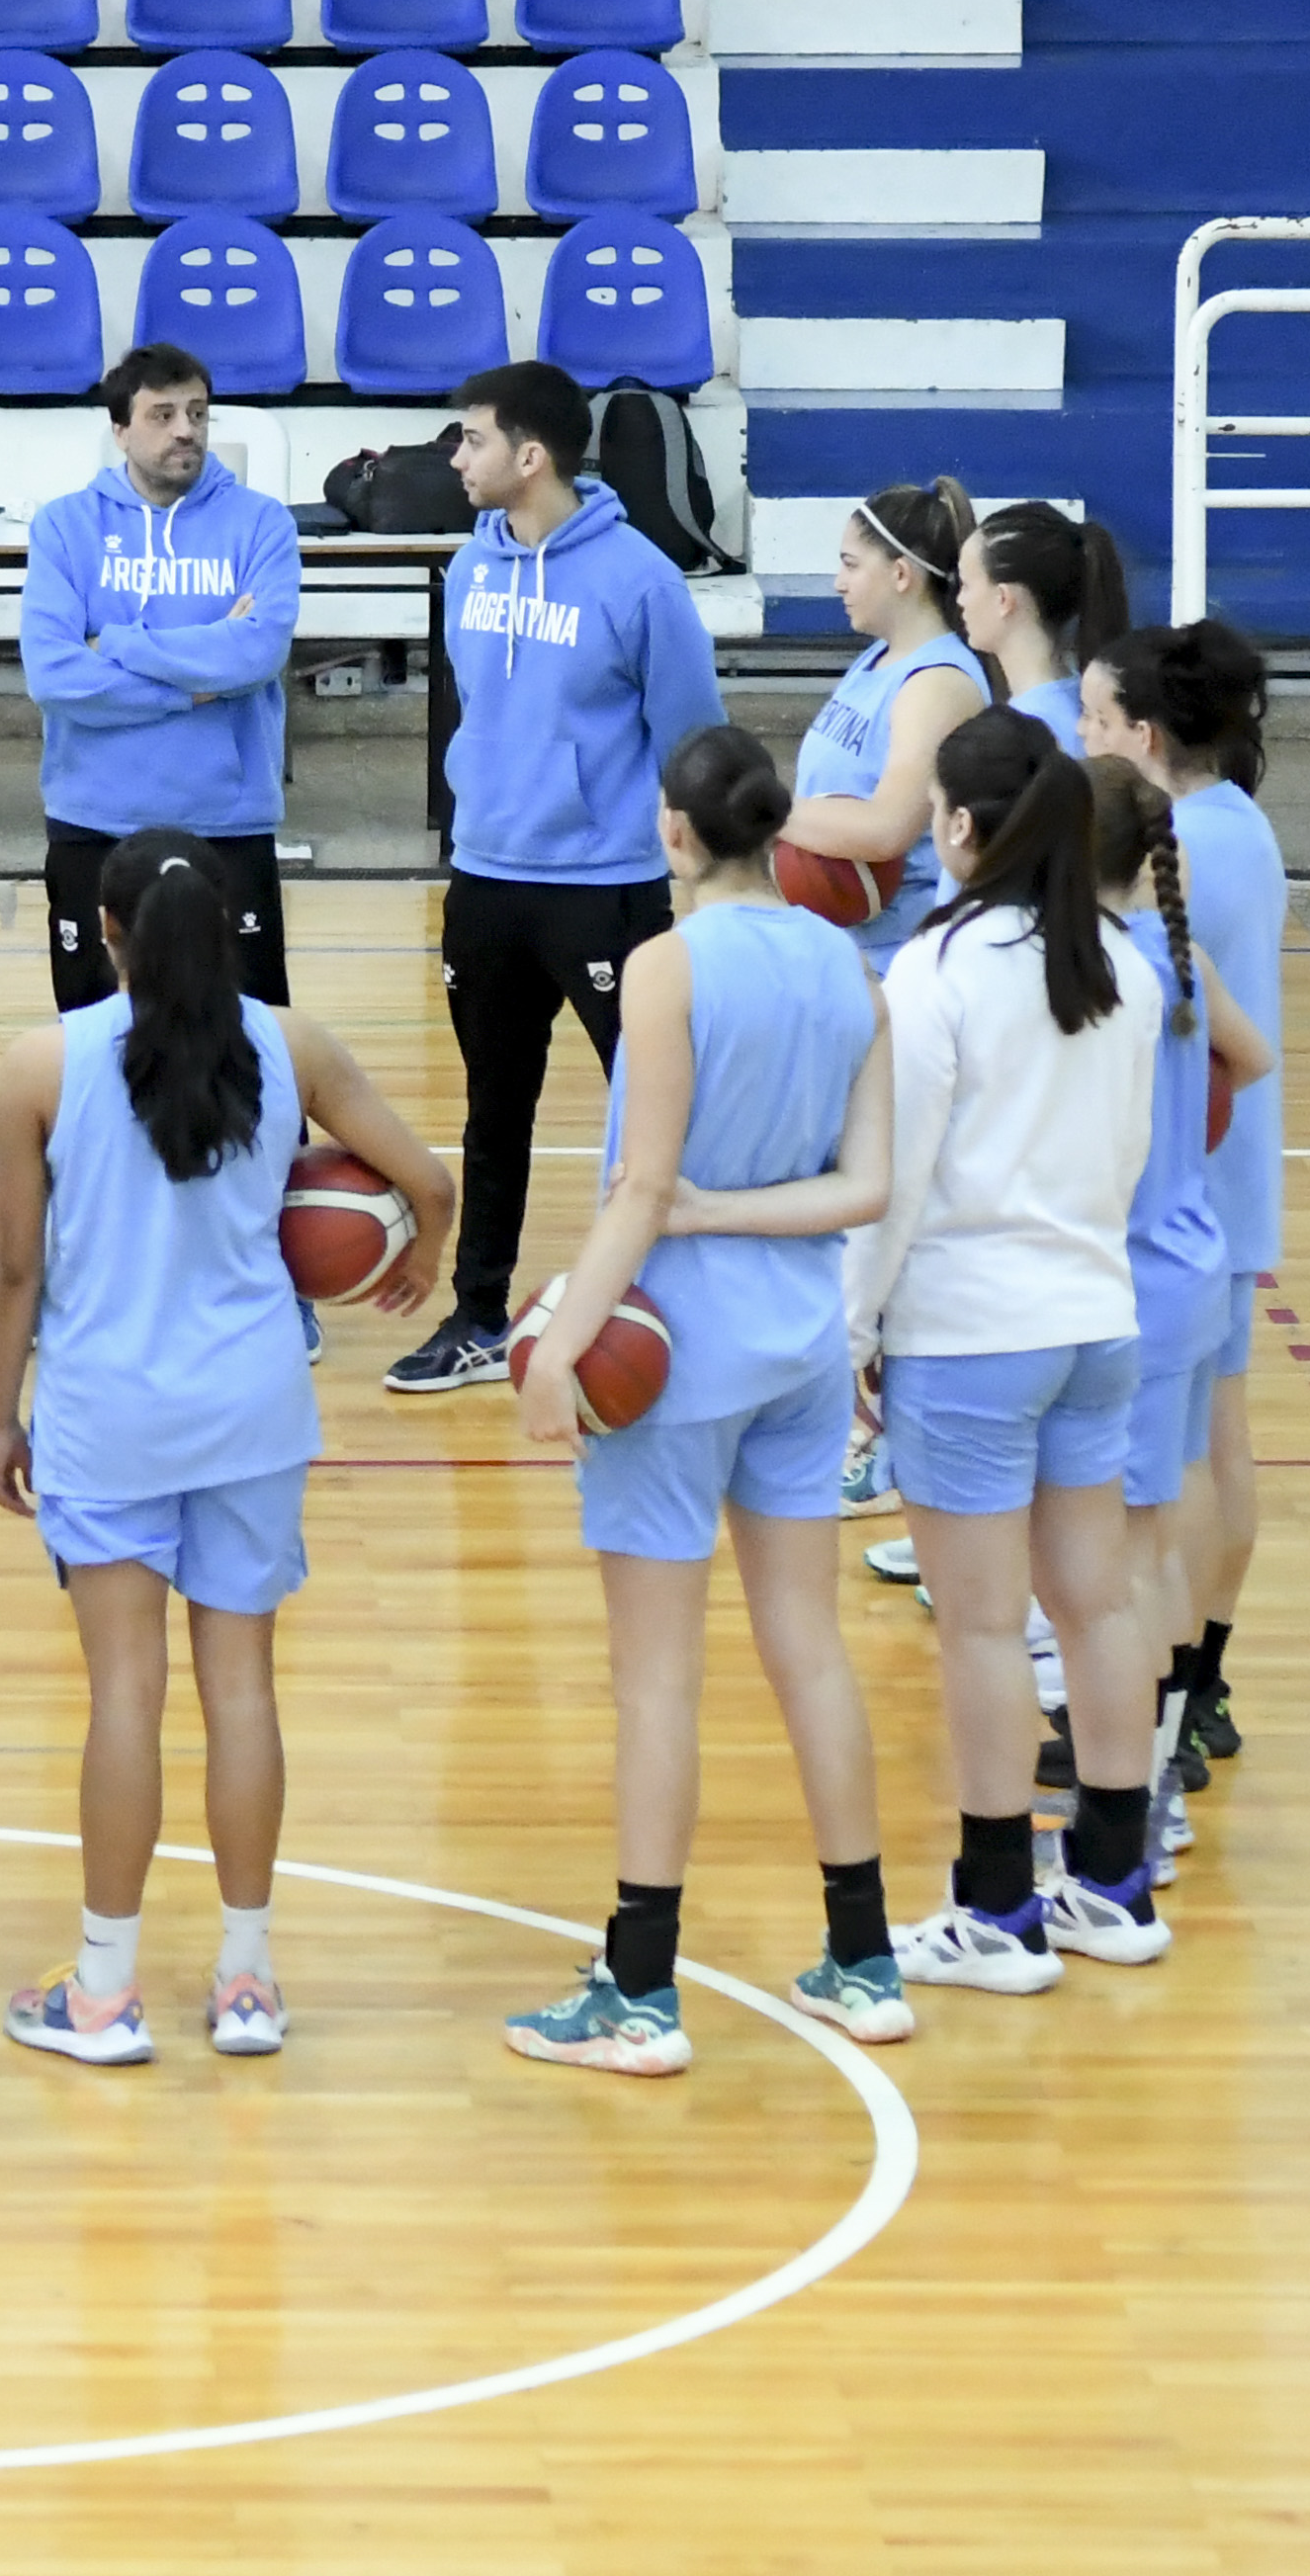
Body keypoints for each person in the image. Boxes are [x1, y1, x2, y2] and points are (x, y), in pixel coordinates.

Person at [0, 831, 454, 2065]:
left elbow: (16, 1268)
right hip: (250, 1410)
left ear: (104, 932)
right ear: (233, 929)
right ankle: (245, 1983)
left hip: (106, 1412)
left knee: (123, 1695)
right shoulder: (290, 1047)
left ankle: (100, 1993)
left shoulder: (41, 1063)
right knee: (240, 1688)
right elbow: (427, 1177)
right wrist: (421, 1256)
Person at [499, 728, 907, 2075]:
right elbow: (862, 1192)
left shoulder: (668, 969)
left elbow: (640, 1188)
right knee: (806, 1648)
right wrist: (716, 1221)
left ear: (672, 834)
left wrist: (558, 1339)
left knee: (654, 1682)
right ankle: (861, 1956)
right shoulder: (846, 967)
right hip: (796, 1352)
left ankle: (638, 1988)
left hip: (668, 1362)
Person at [846, 710, 1170, 1991]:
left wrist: (857, 1329)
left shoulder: (933, 971)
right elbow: (1131, 1159)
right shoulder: (1122, 967)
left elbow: (892, 1177)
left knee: (981, 1630)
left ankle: (993, 1910)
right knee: (1094, 1604)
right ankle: (1109, 1885)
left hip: (972, 1335)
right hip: (1094, 1319)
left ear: (962, 829)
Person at [389, 360, 727, 1396]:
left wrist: (704, 893)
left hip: (604, 884)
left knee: (656, 1110)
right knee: (494, 1110)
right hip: (485, 880)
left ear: (529, 456)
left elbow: (691, 742)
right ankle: (479, 1314)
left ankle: (691, 1310)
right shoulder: (470, 567)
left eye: (472, 440)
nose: (455, 457)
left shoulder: (637, 579)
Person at [1088, 621, 1283, 1775]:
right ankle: (1197, 1682)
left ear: (1142, 735)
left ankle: (1161, 1701)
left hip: (1178, 1182)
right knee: (1219, 1440)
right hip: (1227, 1172)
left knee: (1179, 1468)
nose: (1081, 737)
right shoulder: (1237, 822)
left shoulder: (1173, 848)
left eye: (1095, 722)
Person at [18, 344, 305, 1011]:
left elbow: (255, 653)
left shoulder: (261, 524)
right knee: (93, 1036)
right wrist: (196, 685)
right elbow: (54, 676)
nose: (185, 430)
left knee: (251, 1036)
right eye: (162, 414)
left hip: (226, 824)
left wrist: (114, 643)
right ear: (119, 430)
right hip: (95, 820)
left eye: (198, 414)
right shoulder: (65, 526)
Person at [776, 478, 992, 975]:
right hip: (845, 951)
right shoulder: (879, 656)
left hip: (898, 958)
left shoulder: (937, 683)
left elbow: (887, 829)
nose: (838, 582)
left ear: (900, 574)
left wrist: (763, 810)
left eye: (851, 565)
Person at [958, 500, 1129, 753]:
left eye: (966, 585)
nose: (960, 600)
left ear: (1003, 599)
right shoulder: (1077, 703)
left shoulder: (1028, 729)